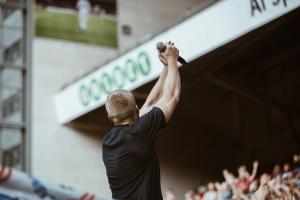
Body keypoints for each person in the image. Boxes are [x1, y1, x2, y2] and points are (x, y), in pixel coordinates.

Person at [102, 41, 181, 200]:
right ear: (136, 109)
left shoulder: (108, 141)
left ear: (110, 117)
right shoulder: (139, 132)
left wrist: (165, 67)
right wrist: (173, 59)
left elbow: (151, 103)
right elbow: (171, 96)